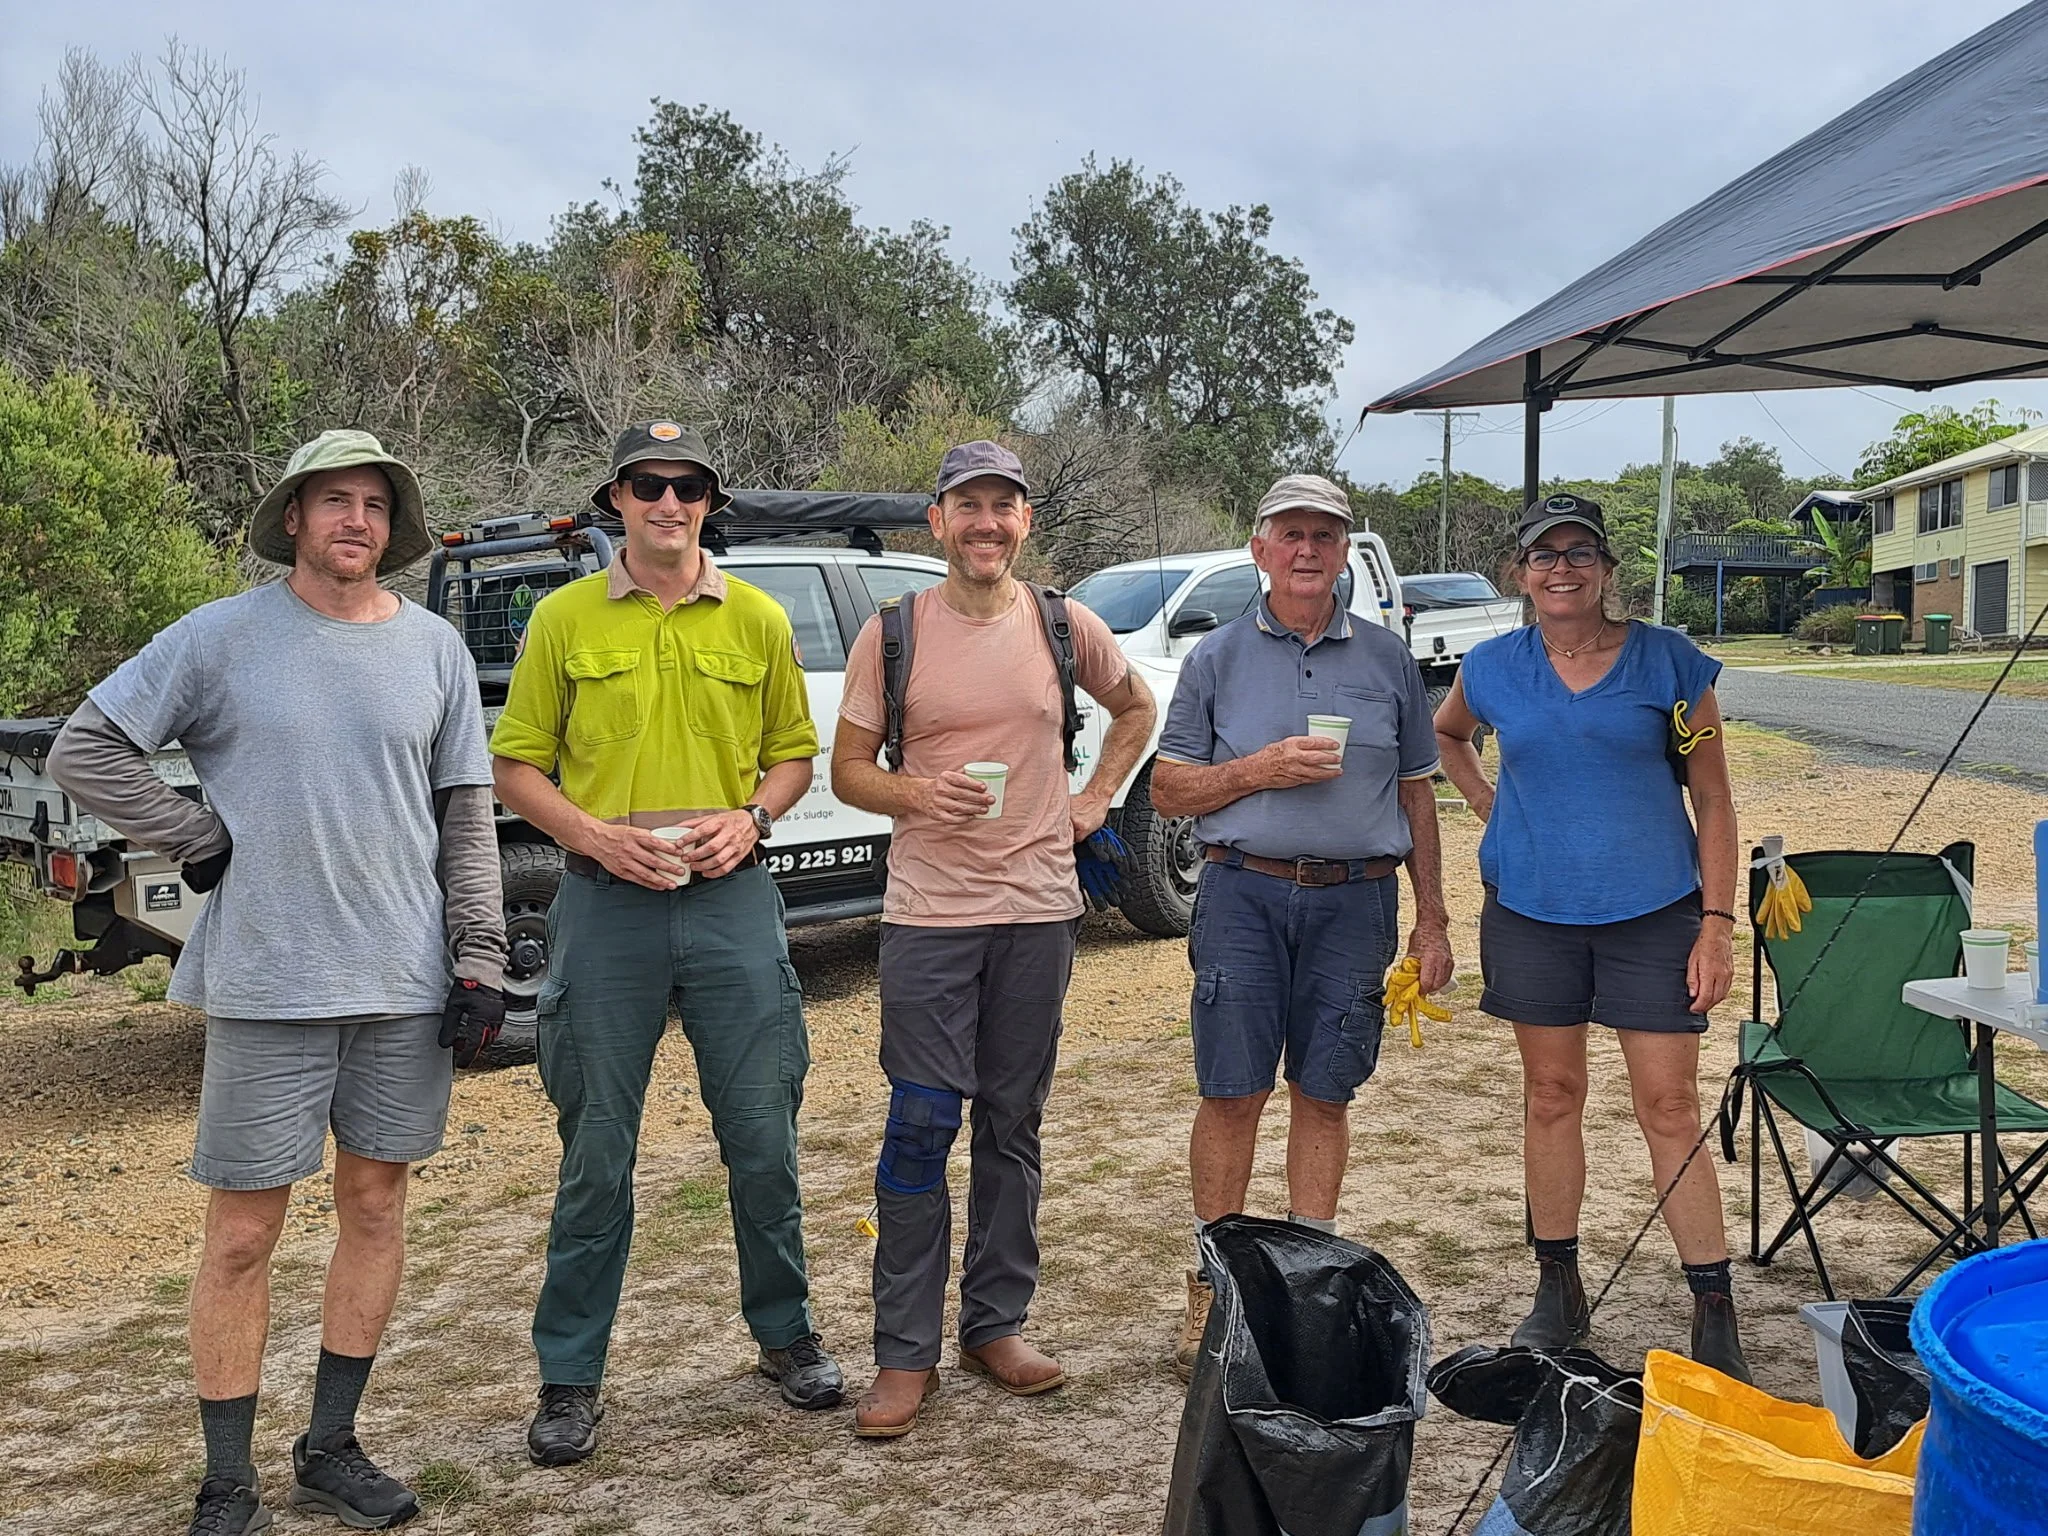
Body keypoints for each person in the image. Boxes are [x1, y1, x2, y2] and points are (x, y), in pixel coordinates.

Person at [49, 429, 508, 1535]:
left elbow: (464, 815)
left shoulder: (436, 649)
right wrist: (190, 833)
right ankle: (226, 1482)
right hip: (268, 979)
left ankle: (330, 1448)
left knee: (376, 1207)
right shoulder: (220, 639)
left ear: (390, 526)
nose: (354, 519)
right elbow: (84, 748)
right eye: (331, 501)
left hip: (403, 981)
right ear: (294, 520)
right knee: (244, 1235)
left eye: (373, 504)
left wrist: (481, 955)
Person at [490, 421, 842, 1466]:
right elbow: (516, 767)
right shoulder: (560, 620)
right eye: (649, 484)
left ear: (706, 504)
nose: (669, 502)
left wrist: (755, 818)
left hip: (731, 902)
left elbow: (790, 757)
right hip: (605, 905)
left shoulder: (758, 618)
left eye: (688, 488)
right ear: (615, 498)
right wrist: (592, 836)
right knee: (596, 1149)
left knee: (762, 1137)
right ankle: (569, 1375)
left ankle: (785, 1337)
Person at [831, 441, 1158, 1438]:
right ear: (936, 521)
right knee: (921, 1125)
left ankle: (993, 1323)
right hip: (929, 917)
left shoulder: (1062, 623)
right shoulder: (892, 633)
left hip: (1036, 911)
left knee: (1012, 1121)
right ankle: (901, 1355)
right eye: (966, 505)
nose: (985, 522)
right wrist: (913, 790)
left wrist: (1096, 796)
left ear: (1023, 523)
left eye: (1002, 506)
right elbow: (847, 770)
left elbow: (1135, 706)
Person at [1432, 493, 1749, 1381]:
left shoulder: (1672, 665)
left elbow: (1714, 799)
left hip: (1655, 911)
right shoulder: (1493, 667)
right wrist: (1493, 806)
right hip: (1533, 911)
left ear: (1608, 570)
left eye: (1579, 553)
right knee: (1551, 1094)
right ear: (1519, 573)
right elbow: (1448, 736)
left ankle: (1711, 1299)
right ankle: (1558, 1283)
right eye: (1543, 555)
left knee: (1669, 1106)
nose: (1561, 568)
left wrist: (1717, 926)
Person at [1150, 473, 1452, 1381]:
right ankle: (1216, 1287)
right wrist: (1258, 770)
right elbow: (1168, 789)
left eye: (1326, 533)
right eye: (1291, 533)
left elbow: (1416, 792)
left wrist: (1432, 918)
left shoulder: (1389, 660)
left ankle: (1312, 1275)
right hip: (1243, 891)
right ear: (1261, 549)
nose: (1309, 549)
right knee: (1233, 1090)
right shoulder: (1216, 659)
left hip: (1358, 898)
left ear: (1345, 551)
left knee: (1327, 1090)